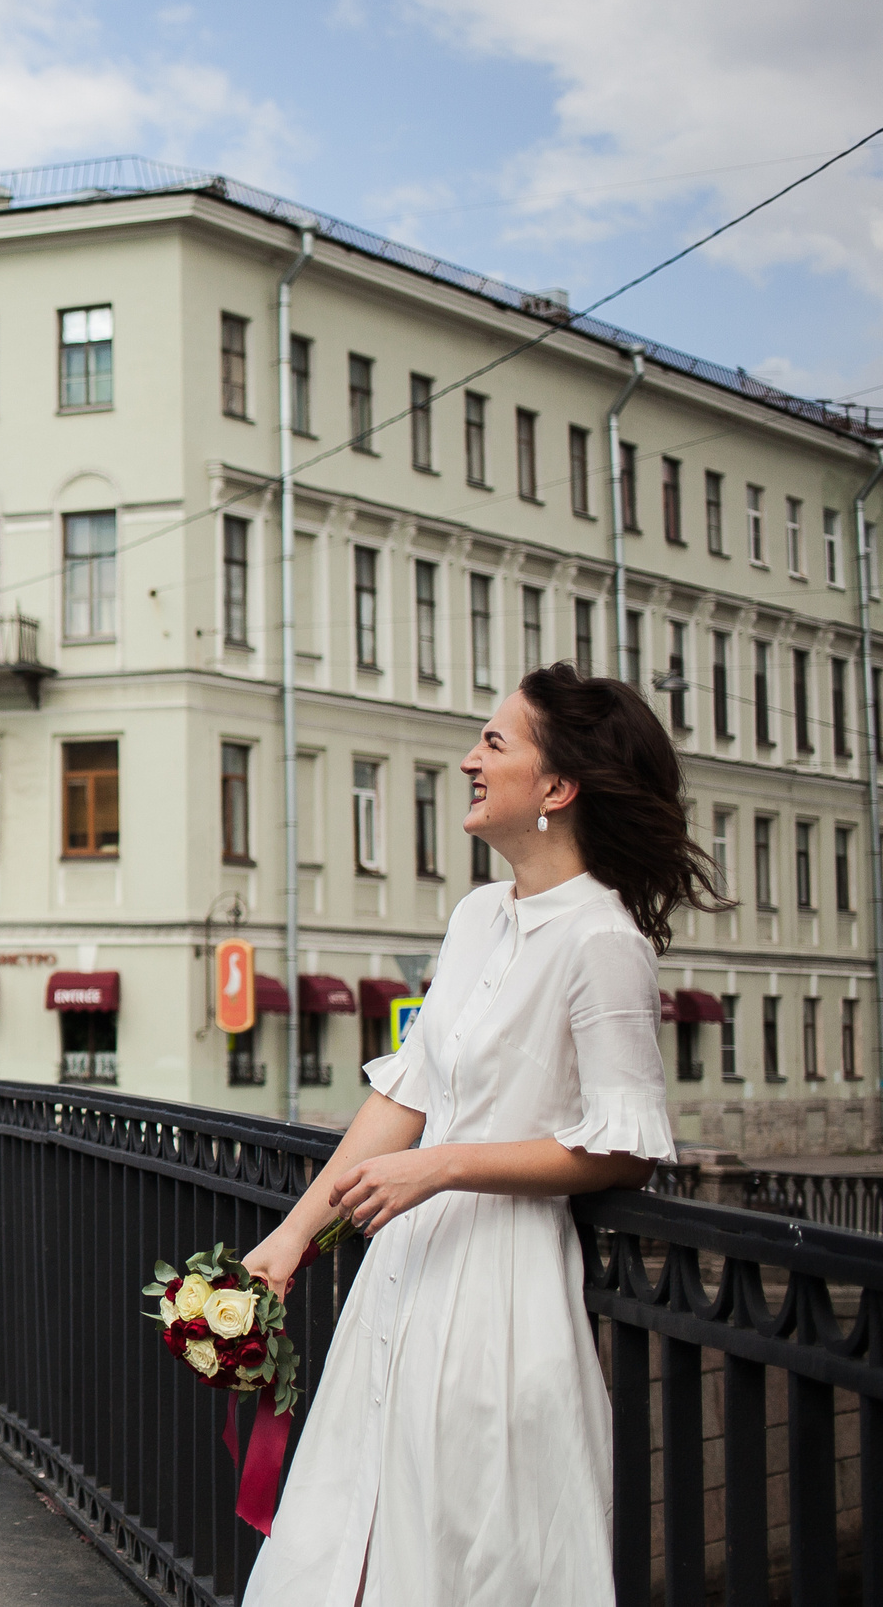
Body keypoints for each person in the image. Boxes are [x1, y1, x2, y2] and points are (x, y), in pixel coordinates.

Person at [239, 664, 727, 1605]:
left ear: (557, 787)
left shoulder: (603, 941)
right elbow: (403, 1099)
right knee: (349, 1532)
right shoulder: (473, 918)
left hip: (502, 1299)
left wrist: (446, 1168)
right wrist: (290, 1238)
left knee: (473, 1550)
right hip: (403, 1278)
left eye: (495, 743)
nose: (469, 759)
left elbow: (625, 1143)